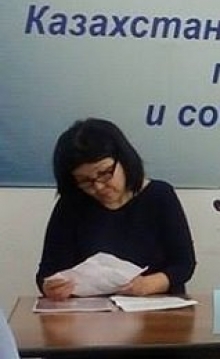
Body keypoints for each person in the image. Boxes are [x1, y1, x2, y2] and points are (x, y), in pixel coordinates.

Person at [36, 118, 197, 299]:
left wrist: (147, 285)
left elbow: (184, 264)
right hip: (90, 312)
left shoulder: (159, 196)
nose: (98, 187)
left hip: (155, 306)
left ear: (124, 160)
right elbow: (47, 272)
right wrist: (50, 287)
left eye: (104, 173)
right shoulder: (71, 205)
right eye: (85, 181)